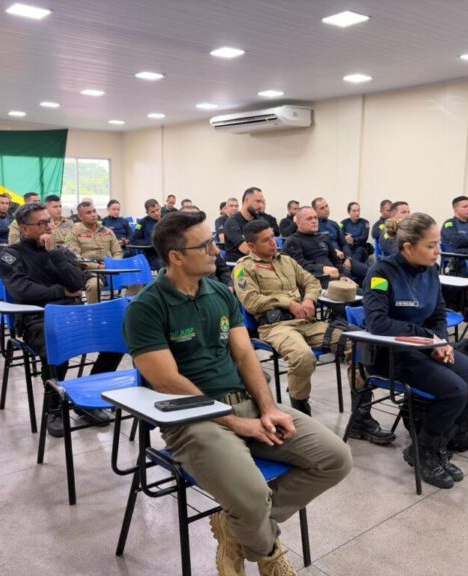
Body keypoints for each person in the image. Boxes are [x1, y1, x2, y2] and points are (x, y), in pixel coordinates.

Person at [123, 211, 352, 576]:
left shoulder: (219, 292)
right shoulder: (146, 308)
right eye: (206, 245)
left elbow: (245, 355)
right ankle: (269, 553)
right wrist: (233, 423)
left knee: (336, 458)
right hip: (190, 418)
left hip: (246, 404)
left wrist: (267, 408)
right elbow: (165, 380)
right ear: (176, 257)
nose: (217, 250)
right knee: (251, 496)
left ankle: (236, 527)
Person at [363, 212, 468, 489]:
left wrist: (442, 342)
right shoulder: (381, 272)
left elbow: (437, 314)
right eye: (431, 245)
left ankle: (433, 444)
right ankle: (425, 451)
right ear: (408, 247)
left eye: (438, 244)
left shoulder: (431, 271)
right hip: (391, 353)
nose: (438, 251)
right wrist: (429, 339)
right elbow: (378, 323)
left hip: (425, 348)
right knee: (455, 389)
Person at [235, 219, 395, 443]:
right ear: (251, 246)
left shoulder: (287, 261)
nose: (274, 242)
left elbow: (311, 282)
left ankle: (361, 419)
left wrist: (310, 299)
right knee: (303, 357)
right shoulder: (245, 268)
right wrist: (287, 302)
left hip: (306, 321)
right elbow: (251, 301)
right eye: (266, 240)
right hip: (275, 327)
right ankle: (300, 415)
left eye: (273, 237)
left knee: (358, 344)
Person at [0, 203, 123, 437]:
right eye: (42, 223)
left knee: (117, 336)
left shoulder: (60, 251)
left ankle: (87, 398)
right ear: (24, 229)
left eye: (50, 221)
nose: (49, 226)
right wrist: (60, 292)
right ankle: (54, 407)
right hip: (36, 317)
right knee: (59, 342)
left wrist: (53, 253)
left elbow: (77, 282)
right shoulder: (11, 255)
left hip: (73, 313)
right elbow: (22, 290)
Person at [283, 206, 358, 288]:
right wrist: (322, 269)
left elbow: (335, 260)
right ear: (298, 223)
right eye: (309, 219)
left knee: (363, 292)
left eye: (315, 218)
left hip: (335, 279)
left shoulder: (323, 237)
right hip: (314, 282)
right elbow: (298, 265)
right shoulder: (293, 241)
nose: (314, 221)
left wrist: (342, 276)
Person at [65, 200, 123, 303]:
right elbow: (74, 257)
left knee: (137, 280)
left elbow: (117, 252)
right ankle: (94, 313)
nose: (93, 215)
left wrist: (113, 263)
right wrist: (98, 266)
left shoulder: (107, 231)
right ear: (80, 216)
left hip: (110, 268)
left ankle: (126, 312)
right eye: (88, 212)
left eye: (94, 211)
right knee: (94, 285)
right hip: (89, 271)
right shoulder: (74, 233)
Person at [181, 204, 231, 287]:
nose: (215, 250)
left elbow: (223, 270)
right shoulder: (176, 247)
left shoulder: (210, 243)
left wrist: (229, 285)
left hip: (215, 287)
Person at [223, 187, 267, 263]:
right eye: (258, 201)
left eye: (262, 202)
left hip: (259, 263)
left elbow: (269, 243)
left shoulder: (260, 220)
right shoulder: (232, 222)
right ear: (247, 201)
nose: (261, 206)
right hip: (238, 266)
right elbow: (246, 249)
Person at [131, 198, 163, 270]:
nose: (156, 213)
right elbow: (134, 241)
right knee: (163, 264)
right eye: (152, 212)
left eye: (157, 210)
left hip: (169, 253)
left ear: (160, 207)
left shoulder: (167, 219)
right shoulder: (142, 223)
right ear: (147, 213)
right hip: (153, 255)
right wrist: (151, 243)